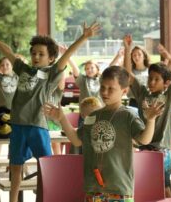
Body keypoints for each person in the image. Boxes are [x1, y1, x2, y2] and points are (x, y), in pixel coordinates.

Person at [0, 21, 100, 202]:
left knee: (46, 168)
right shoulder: (23, 68)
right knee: (15, 166)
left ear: (50, 58)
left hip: (37, 126)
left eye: (41, 54)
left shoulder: (51, 73)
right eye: (33, 53)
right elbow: (7, 51)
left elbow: (67, 54)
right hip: (17, 125)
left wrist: (83, 37)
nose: (36, 56)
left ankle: (45, 198)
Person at [43, 65, 163, 201]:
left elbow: (144, 140)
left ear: (124, 91)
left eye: (111, 88)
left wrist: (151, 120)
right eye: (102, 87)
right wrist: (62, 118)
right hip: (93, 188)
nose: (105, 92)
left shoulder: (128, 115)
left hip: (119, 188)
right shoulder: (92, 116)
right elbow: (77, 140)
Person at [124, 42, 171, 198]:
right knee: (146, 185)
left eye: (156, 79)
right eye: (150, 78)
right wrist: (127, 50)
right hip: (144, 146)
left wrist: (169, 57)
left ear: (165, 83)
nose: (151, 82)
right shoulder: (143, 94)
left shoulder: (168, 96)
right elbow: (128, 76)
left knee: (164, 187)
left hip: (162, 149)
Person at [123, 35, 150, 107]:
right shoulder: (130, 71)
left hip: (148, 102)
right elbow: (126, 71)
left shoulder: (150, 70)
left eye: (139, 54)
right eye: (134, 55)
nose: (136, 57)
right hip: (134, 103)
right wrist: (127, 48)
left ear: (144, 56)